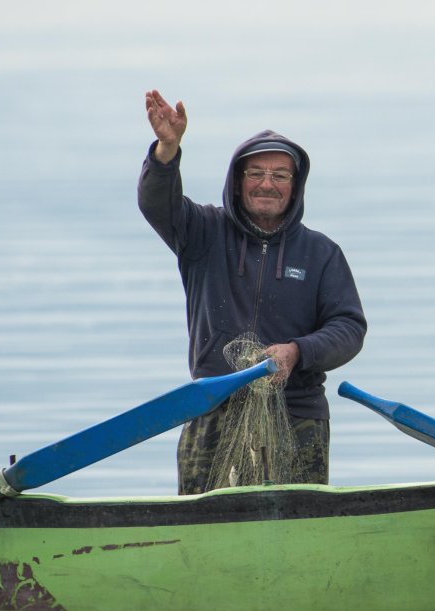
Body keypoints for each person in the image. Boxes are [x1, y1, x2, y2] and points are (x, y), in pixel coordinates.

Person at [138, 89, 367, 494]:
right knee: (201, 531)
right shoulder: (202, 233)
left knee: (301, 530)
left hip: (299, 416)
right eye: (256, 173)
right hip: (212, 411)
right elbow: (158, 204)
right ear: (238, 180)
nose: (267, 184)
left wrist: (297, 351)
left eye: (280, 175)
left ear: (295, 186)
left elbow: (348, 329)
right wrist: (166, 151)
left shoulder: (321, 253)